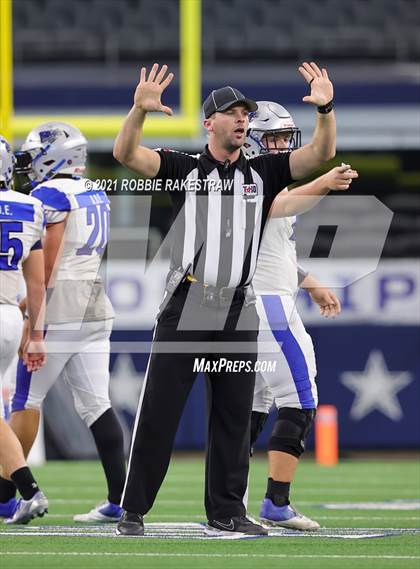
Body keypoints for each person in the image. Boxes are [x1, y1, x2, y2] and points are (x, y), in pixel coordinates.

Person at [112, 61, 340, 537]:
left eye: (245, 113)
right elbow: (127, 153)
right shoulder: (183, 167)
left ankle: (227, 511)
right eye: (231, 112)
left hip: (239, 307)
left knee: (234, 416)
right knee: (160, 410)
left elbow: (320, 153)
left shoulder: (264, 171)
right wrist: (138, 110)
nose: (241, 119)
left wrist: (326, 108)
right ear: (209, 122)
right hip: (189, 301)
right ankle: (133, 508)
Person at [0, 123, 126, 524]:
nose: (30, 162)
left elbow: (47, 264)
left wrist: (31, 316)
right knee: (97, 404)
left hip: (60, 305)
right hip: (93, 300)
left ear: (53, 156)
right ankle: (120, 497)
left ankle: (7, 495)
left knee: (26, 400)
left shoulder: (48, 194)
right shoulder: (95, 190)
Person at [244, 102, 354, 530]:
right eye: (271, 138)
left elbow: (273, 247)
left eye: (283, 138)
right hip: (266, 305)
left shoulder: (248, 180)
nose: (280, 147)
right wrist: (324, 182)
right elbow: (281, 207)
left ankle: (228, 499)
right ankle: (275, 502)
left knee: (252, 407)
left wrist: (309, 282)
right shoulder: (250, 181)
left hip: (258, 301)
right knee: (300, 398)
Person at [0, 135, 49, 524]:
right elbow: (36, 284)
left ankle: (27, 489)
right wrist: (35, 332)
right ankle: (5, 500)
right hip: (11, 319)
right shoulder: (30, 206)